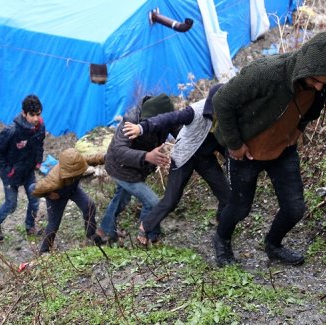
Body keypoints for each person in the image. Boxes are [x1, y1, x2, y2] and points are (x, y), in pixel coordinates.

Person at [211, 32, 326, 266]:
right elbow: (221, 100)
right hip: (246, 151)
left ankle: (273, 245)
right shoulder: (267, 73)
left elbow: (313, 110)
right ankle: (221, 239)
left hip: (282, 150)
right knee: (240, 208)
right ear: (305, 68)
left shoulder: (320, 84)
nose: (318, 87)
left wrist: (297, 131)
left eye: (324, 83)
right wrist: (235, 144)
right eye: (315, 81)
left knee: (294, 208)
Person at [122, 83, 230, 244]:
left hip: (205, 158)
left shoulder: (229, 113)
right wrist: (141, 128)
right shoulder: (196, 111)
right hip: (183, 157)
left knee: (226, 196)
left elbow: (225, 141)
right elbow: (169, 118)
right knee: (171, 200)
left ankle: (223, 227)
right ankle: (145, 227)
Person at [96, 94, 177, 245]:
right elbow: (119, 150)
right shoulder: (132, 120)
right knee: (152, 202)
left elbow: (180, 133)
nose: (147, 125)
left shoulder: (165, 117)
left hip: (137, 167)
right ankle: (146, 236)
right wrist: (147, 156)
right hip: (120, 167)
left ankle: (105, 230)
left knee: (122, 198)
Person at [0, 94, 45, 241]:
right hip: (11, 174)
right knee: (11, 205)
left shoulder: (40, 127)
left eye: (38, 114)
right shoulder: (11, 131)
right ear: (24, 113)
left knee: (34, 199)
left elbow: (40, 145)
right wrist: (8, 170)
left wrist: (38, 162)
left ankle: (30, 227)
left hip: (28, 170)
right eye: (32, 115)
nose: (36, 119)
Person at [31, 148, 105, 253]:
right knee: (53, 225)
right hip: (57, 196)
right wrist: (48, 194)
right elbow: (33, 189)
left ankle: (91, 235)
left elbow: (92, 158)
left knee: (89, 205)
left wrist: (105, 157)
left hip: (73, 190)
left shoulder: (78, 161)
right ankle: (44, 251)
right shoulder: (53, 180)